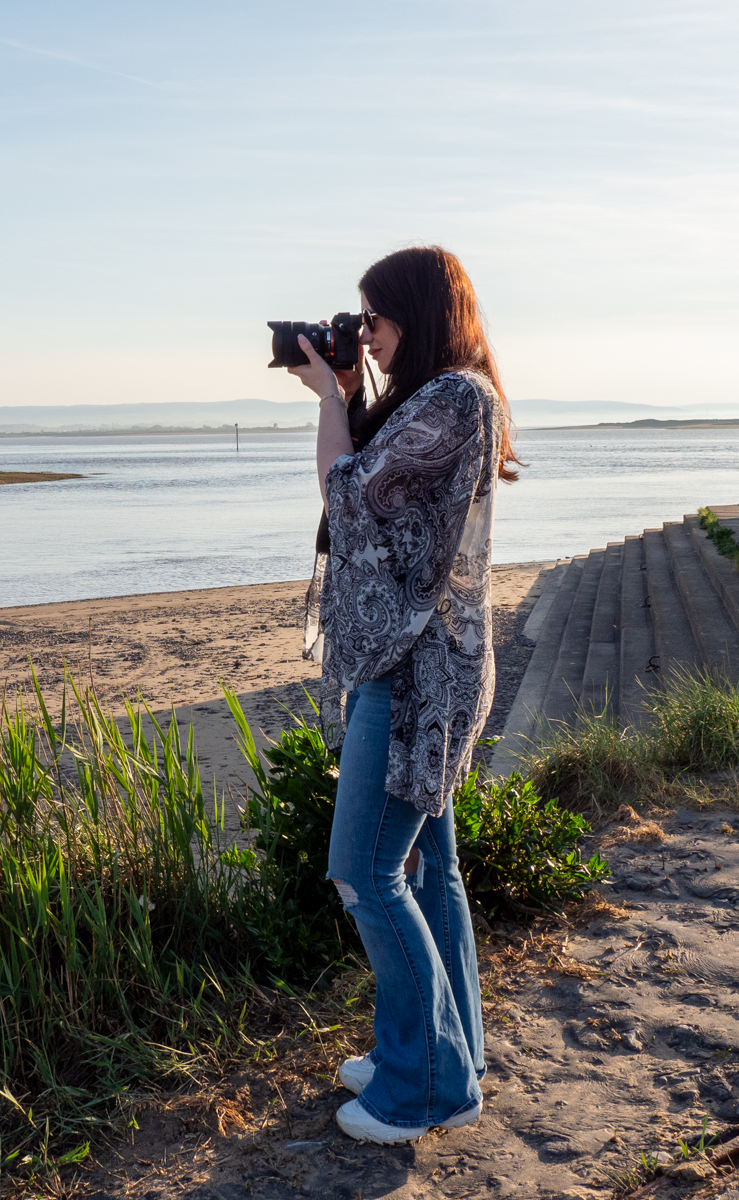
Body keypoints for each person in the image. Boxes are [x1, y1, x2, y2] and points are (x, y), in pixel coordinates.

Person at [282, 245, 517, 1144]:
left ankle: (428, 1088)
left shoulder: (456, 397)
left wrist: (331, 409)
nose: (364, 336)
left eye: (373, 319)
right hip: (430, 662)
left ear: (416, 314)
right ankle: (442, 1054)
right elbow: (371, 488)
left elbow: (351, 493)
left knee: (365, 872)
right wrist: (345, 394)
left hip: (417, 674)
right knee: (431, 870)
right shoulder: (440, 397)